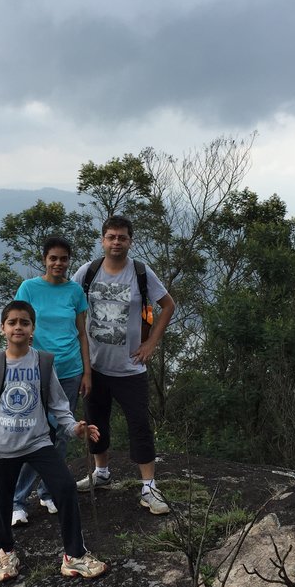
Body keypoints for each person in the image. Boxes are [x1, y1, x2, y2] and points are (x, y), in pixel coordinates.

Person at [0, 300, 108, 582]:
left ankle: (74, 555)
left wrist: (74, 427)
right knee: (1, 502)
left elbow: (58, 404)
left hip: (38, 442)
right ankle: (6, 553)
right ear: (2, 329)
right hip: (3, 447)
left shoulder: (43, 362)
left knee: (65, 487)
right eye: (12, 322)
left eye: (24, 322)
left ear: (33, 329)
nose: (18, 327)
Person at [72, 216, 176, 515]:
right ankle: (101, 472)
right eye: (111, 237)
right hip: (95, 367)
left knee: (140, 425)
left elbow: (168, 304)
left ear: (130, 241)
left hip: (131, 369)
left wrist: (151, 343)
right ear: (102, 240)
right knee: (96, 424)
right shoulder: (87, 272)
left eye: (122, 238)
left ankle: (148, 486)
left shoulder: (141, 273)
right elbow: (71, 306)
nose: (116, 242)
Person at [10, 236, 91, 527]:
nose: (58, 263)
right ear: (44, 259)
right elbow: (17, 327)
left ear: (69, 260)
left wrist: (87, 372)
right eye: (53, 258)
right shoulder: (29, 288)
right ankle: (17, 500)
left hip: (69, 370)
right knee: (34, 434)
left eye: (64, 258)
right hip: (37, 370)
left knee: (60, 433)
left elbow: (82, 333)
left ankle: (47, 491)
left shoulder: (74, 291)